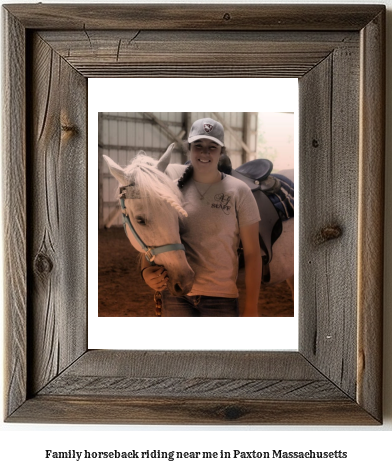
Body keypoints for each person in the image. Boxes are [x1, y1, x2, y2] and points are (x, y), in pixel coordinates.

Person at [141, 117, 261, 317]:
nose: (205, 153)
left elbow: (252, 254)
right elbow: (152, 238)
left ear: (221, 151)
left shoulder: (240, 192)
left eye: (212, 147)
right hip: (177, 294)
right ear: (189, 148)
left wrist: (251, 307)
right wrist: (146, 273)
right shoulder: (169, 190)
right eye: (199, 146)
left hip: (221, 298)